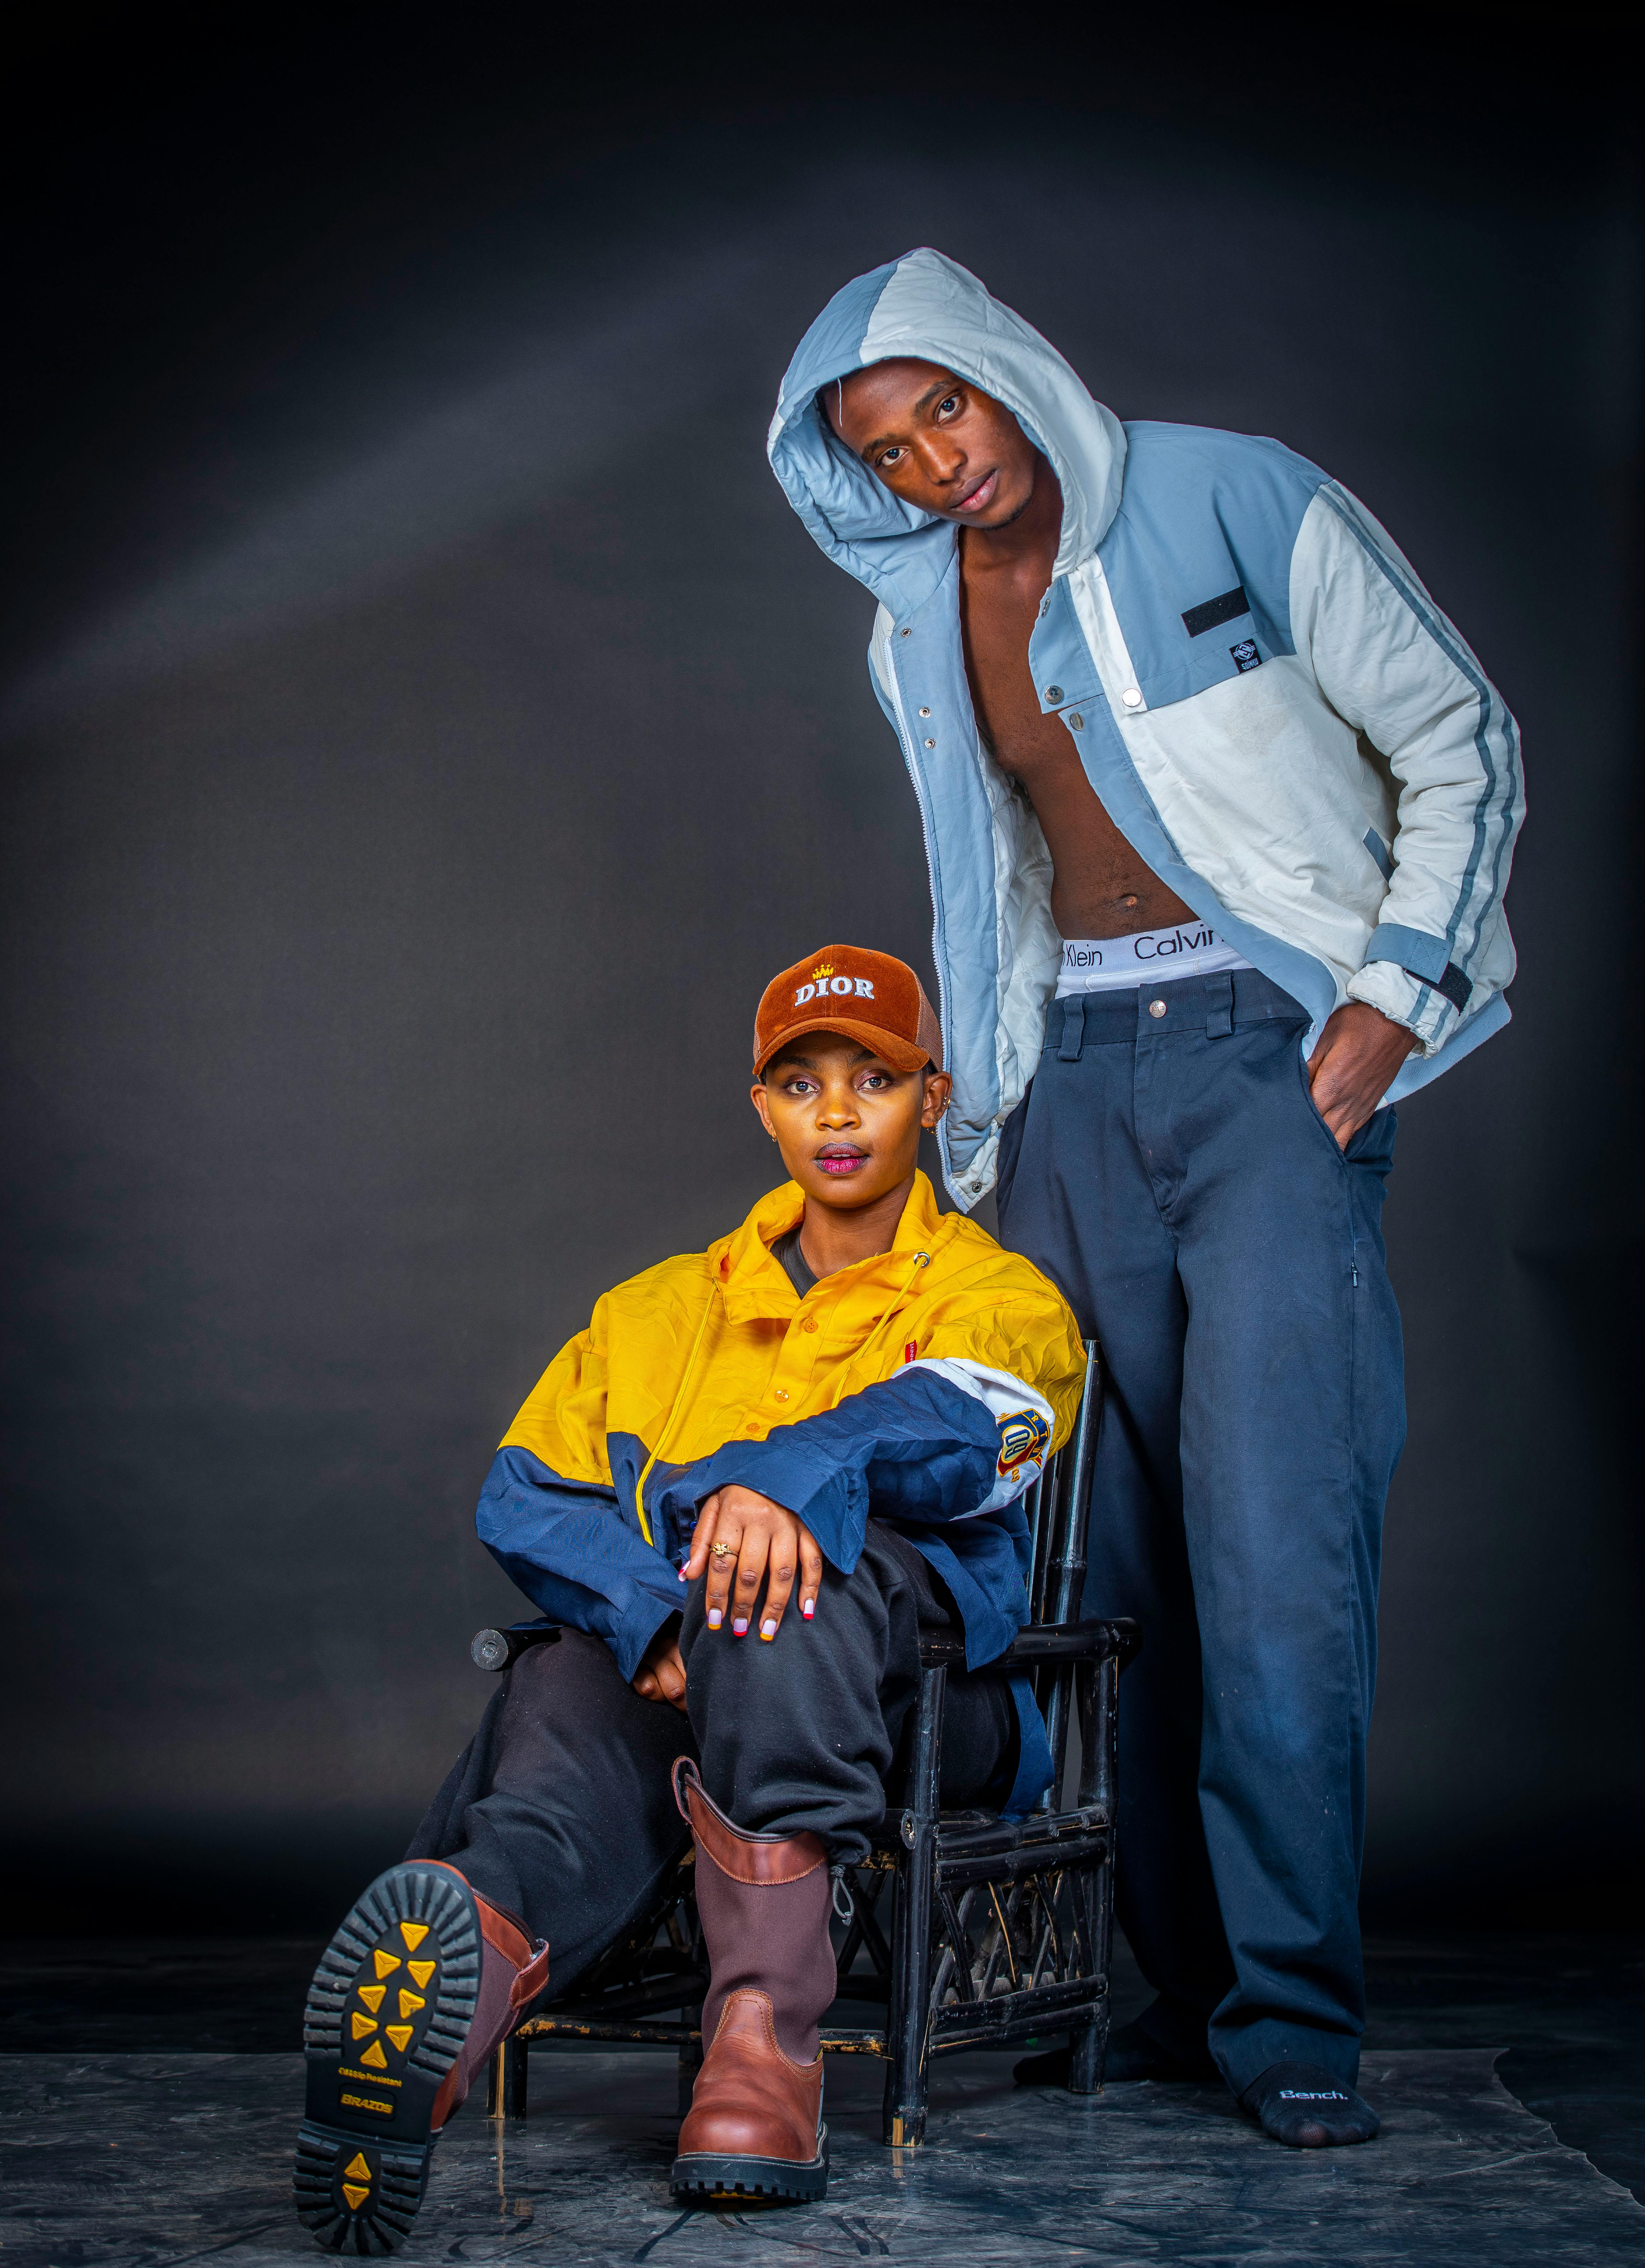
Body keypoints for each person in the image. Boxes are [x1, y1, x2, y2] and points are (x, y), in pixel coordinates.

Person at [768, 250, 1523, 2150]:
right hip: (1071, 1099)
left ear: (1004, 366)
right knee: (1092, 1574)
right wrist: (982, 1126)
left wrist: (1379, 1007)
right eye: (890, 444)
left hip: (1264, 1057)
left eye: (945, 403)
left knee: (1275, 1552)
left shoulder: (1228, 492)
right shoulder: (912, 626)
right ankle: (1165, 1999)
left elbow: (1460, 739)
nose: (940, 459)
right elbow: (999, 884)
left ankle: (1288, 2018)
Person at [292, 942, 1085, 2249]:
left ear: (932, 1099)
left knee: (777, 1585)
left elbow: (965, 1430)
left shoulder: (994, 1298)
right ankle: (459, 1973)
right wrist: (657, 1618)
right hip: (683, 1678)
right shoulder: (657, 1309)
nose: (837, 1111)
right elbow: (524, 1493)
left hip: (924, 1703)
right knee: (565, 1672)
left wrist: (778, 1485)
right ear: (762, 1106)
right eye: (803, 1082)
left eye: (873, 1078)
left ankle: (762, 2035)